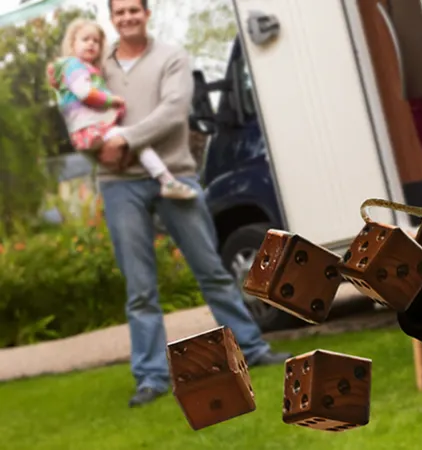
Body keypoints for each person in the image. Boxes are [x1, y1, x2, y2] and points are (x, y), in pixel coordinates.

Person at [96, 0, 291, 408]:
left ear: (146, 14)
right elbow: (79, 111)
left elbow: (173, 112)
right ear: (112, 19)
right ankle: (150, 377)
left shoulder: (172, 57)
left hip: (175, 177)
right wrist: (97, 144)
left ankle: (252, 349)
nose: (128, 17)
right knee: (140, 288)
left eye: (134, 10)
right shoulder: (99, 67)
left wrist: (124, 140)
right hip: (120, 184)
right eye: (120, 12)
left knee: (212, 272)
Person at [50, 18, 198, 200]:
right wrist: (112, 100)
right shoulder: (73, 66)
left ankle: (160, 179)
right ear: (72, 44)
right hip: (89, 129)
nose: (91, 44)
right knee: (135, 140)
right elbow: (84, 93)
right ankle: (167, 181)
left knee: (132, 145)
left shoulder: (88, 68)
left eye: (96, 41)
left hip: (89, 130)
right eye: (85, 39)